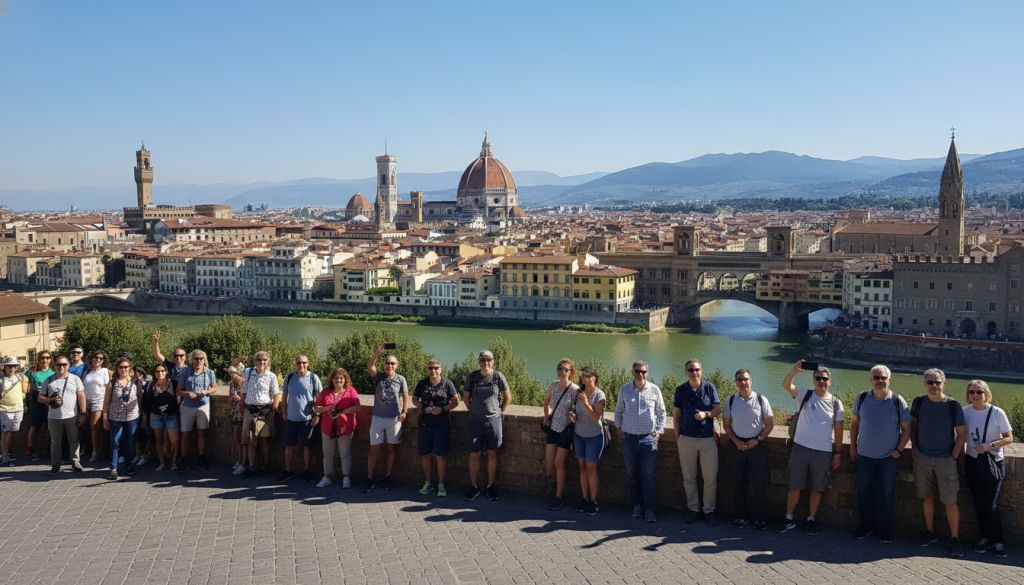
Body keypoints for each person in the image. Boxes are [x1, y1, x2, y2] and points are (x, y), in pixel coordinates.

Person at [778, 360, 844, 536]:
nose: (821, 381)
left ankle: (811, 519)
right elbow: (787, 385)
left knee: (818, 487)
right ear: (813, 380)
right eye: (818, 378)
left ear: (830, 381)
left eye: (825, 379)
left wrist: (838, 453)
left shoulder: (836, 403)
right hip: (800, 447)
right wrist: (793, 371)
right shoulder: (804, 395)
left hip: (823, 452)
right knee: (794, 485)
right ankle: (789, 518)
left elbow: (838, 430)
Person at [849, 365, 910, 543]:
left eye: (883, 378)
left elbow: (907, 429)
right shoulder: (861, 398)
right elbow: (854, 424)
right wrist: (852, 447)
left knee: (887, 494)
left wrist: (899, 450)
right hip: (864, 456)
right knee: (864, 492)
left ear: (889, 380)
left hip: (888, 458)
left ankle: (884, 529)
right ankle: (865, 526)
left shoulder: (898, 401)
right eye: (876, 377)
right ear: (871, 379)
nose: (879, 380)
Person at [910, 368, 967, 557]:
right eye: (930, 382)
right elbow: (913, 428)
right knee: (926, 497)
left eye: (937, 382)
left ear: (944, 384)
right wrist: (916, 450)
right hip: (923, 458)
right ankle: (930, 532)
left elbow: (961, 435)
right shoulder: (918, 402)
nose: (934, 385)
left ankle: (955, 538)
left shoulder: (953, 405)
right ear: (925, 384)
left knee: (950, 501)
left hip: (945, 459)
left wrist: (953, 456)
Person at [962, 380, 1012, 559]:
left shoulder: (997, 412)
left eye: (979, 392)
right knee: (978, 503)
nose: (975, 395)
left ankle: (998, 541)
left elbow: (1009, 438)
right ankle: (984, 538)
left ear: (986, 394)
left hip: (992, 462)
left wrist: (990, 445)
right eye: (972, 392)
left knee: (989, 505)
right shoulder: (964, 411)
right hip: (972, 461)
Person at [614, 360, 665, 523]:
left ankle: (649, 509)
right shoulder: (625, 389)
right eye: (637, 371)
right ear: (632, 372)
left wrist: (658, 431)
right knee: (632, 474)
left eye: (643, 372)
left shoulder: (654, 390)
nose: (640, 374)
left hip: (648, 439)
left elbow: (662, 412)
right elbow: (618, 412)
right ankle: (637, 505)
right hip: (628, 438)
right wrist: (619, 428)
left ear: (647, 373)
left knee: (649, 475)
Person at [722, 369, 773, 530]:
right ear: (735, 382)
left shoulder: (760, 399)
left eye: (745, 379)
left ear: (751, 380)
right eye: (739, 380)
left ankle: (760, 518)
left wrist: (757, 440)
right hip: (737, 446)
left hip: (756, 446)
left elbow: (769, 423)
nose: (743, 382)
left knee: (759, 484)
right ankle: (741, 516)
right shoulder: (730, 401)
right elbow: (726, 425)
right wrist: (736, 441)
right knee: (737, 483)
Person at [674, 358, 722, 525]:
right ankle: (693, 509)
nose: (694, 372)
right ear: (686, 372)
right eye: (691, 370)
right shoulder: (681, 390)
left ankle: (709, 511)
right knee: (689, 478)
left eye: (697, 369)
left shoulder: (709, 388)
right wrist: (678, 439)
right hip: (687, 439)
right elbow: (676, 416)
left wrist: (706, 414)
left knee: (710, 478)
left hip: (707, 439)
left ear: (701, 371)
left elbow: (717, 409)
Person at [463, 350, 512, 501]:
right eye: (483, 360)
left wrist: (498, 412)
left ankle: (490, 486)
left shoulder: (498, 376)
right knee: (474, 455)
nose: (486, 363)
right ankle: (474, 486)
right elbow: (466, 398)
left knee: (492, 453)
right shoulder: (471, 377)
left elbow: (507, 397)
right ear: (478, 361)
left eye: (488, 360)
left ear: (493, 362)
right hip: (475, 422)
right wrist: (474, 412)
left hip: (493, 422)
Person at [363, 344, 409, 492]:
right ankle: (369, 478)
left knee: (391, 449)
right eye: (387, 363)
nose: (390, 366)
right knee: (374, 449)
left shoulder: (401, 379)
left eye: (392, 363)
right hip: (377, 418)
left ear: (396, 365)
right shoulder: (379, 377)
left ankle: (387, 477)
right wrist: (377, 352)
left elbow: (405, 396)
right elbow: (370, 365)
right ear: (384, 365)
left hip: (394, 419)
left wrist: (404, 412)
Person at [411, 359, 459, 497]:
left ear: (441, 369)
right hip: (424, 424)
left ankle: (441, 484)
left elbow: (455, 401)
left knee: (440, 456)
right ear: (427, 370)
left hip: (441, 425)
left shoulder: (447, 384)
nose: (433, 371)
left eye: (436, 368)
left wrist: (443, 409)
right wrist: (419, 405)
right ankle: (428, 483)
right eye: (430, 368)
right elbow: (414, 398)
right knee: (425, 455)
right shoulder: (422, 384)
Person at [229, 351, 281, 478]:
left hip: (265, 411)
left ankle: (265, 466)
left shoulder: (271, 376)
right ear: (254, 361)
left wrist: (273, 411)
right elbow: (242, 390)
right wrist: (240, 409)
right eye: (259, 359)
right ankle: (251, 467)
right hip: (250, 410)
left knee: (265, 441)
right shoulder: (248, 372)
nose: (261, 362)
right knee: (250, 441)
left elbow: (276, 394)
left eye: (264, 360)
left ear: (268, 362)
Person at [38, 355, 86, 476]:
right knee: (55, 442)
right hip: (54, 417)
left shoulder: (75, 379)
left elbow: (81, 396)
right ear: (55, 366)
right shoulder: (49, 380)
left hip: (72, 415)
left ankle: (76, 462)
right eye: (59, 365)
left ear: (68, 365)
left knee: (74, 440)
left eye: (64, 364)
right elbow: (39, 397)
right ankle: (55, 466)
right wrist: (50, 400)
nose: (61, 367)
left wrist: (83, 413)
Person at [314, 368, 361, 489]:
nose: (338, 380)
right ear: (332, 379)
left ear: (345, 379)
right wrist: (327, 408)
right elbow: (317, 408)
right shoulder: (325, 392)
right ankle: (327, 477)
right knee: (327, 453)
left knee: (345, 453)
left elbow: (357, 407)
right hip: (327, 427)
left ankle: (346, 478)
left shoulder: (351, 390)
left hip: (345, 427)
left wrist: (341, 412)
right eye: (336, 378)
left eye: (341, 378)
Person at [278, 355, 322, 483]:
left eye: (304, 362)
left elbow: (320, 399)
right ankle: (288, 470)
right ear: (295, 363)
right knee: (289, 445)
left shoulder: (314, 378)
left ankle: (306, 470)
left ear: (308, 363)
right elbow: (284, 396)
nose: (301, 365)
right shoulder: (289, 377)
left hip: (308, 418)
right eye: (298, 362)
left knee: (307, 446)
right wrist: (284, 412)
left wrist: (317, 415)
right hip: (291, 418)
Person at [542, 358, 579, 510]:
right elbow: (546, 403)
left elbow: (579, 411)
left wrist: (574, 416)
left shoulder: (575, 389)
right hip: (553, 429)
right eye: (559, 368)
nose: (561, 371)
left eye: (565, 369)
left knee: (559, 463)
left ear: (571, 372)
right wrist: (546, 416)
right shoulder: (554, 385)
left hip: (566, 430)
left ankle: (559, 496)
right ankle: (562, 486)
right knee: (549, 465)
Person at [102, 358, 143, 480]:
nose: (123, 369)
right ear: (117, 369)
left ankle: (128, 465)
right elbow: (106, 401)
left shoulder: (136, 382)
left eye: (126, 367)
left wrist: (137, 410)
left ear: (130, 369)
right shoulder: (112, 383)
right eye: (121, 367)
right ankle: (113, 468)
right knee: (115, 442)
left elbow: (139, 398)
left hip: (132, 417)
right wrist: (105, 416)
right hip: (115, 416)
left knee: (130, 442)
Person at [177, 349, 217, 472]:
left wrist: (205, 392)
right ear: (191, 360)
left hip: (203, 405)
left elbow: (214, 387)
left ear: (204, 360)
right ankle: (184, 459)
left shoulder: (209, 372)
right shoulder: (185, 373)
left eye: (201, 359)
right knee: (185, 434)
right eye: (196, 359)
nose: (198, 361)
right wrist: (187, 394)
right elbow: (178, 390)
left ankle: (201, 457)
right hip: (188, 405)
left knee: (202, 432)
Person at [573, 366, 606, 516]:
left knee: (591, 469)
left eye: (588, 376)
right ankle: (585, 498)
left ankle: (594, 501)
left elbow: (594, 417)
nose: (585, 379)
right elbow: (576, 410)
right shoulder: (578, 393)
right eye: (583, 376)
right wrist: (572, 414)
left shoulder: (599, 396)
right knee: (582, 468)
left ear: (594, 378)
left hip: (594, 436)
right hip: (579, 435)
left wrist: (586, 403)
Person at [148, 363, 180, 472]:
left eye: (162, 371)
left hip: (171, 415)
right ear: (154, 373)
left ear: (166, 371)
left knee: (174, 440)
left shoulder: (173, 384)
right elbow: (147, 402)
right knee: (159, 440)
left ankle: (174, 461)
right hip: (156, 416)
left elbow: (179, 396)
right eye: (157, 371)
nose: (160, 373)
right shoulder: (151, 385)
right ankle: (162, 463)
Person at [81, 350, 111, 464]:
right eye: (96, 357)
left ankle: (96, 451)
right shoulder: (86, 372)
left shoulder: (105, 372)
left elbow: (109, 389)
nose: (98, 360)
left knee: (94, 426)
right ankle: (91, 449)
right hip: (86, 401)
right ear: (91, 358)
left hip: (99, 401)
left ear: (104, 361)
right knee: (86, 427)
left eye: (100, 358)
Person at [1, 356, 30, 467]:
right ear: (5, 367)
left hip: (18, 408)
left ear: (17, 367)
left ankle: (7, 452)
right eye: (9, 366)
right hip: (5, 409)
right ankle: (4, 456)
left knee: (13, 430)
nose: (11, 368)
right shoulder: (1, 380)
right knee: (5, 432)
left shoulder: (20, 378)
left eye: (13, 366)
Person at [25, 351, 54, 462]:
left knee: (49, 426)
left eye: (47, 357)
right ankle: (30, 450)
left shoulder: (53, 373)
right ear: (39, 359)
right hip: (35, 399)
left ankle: (49, 450)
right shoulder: (31, 372)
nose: (45, 360)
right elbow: (21, 378)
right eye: (42, 357)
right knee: (35, 425)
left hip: (48, 398)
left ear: (50, 359)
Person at [131, 365, 154, 467]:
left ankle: (145, 455)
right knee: (137, 435)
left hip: (145, 411)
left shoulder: (146, 383)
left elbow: (146, 400)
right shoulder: (129, 382)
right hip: (133, 412)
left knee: (147, 433)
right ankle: (137, 455)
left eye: (136, 371)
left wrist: (145, 414)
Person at [227, 367, 245, 474]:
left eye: (234, 373)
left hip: (243, 413)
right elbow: (229, 401)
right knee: (237, 439)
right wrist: (230, 399)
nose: (232, 375)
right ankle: (240, 460)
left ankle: (243, 462)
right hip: (234, 413)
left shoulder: (246, 383)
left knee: (243, 440)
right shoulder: (232, 385)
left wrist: (240, 399)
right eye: (230, 373)